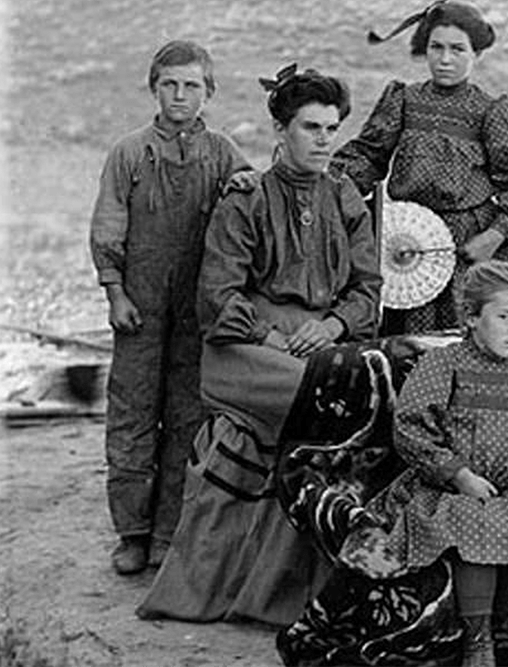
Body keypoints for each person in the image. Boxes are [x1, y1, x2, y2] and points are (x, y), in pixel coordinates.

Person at [136, 66, 381, 625]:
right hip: (242, 351)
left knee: (352, 389)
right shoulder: (245, 198)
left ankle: (305, 587)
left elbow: (368, 288)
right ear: (280, 129)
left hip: (320, 342)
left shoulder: (344, 197)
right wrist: (271, 334)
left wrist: (335, 326)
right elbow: (217, 295)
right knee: (321, 396)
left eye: (331, 128)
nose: (324, 140)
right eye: (310, 127)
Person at [365, 260, 508, 667]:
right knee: (474, 529)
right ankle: (478, 640)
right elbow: (411, 428)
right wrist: (459, 474)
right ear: (471, 318)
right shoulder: (444, 365)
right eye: (505, 317)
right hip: (451, 486)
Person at [89, 40, 252, 575]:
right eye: (170, 85)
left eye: (192, 86)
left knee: (188, 414)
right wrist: (115, 290)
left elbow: (249, 210)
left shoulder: (225, 152)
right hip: (139, 304)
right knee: (134, 412)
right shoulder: (129, 153)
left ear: (210, 92)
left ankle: (168, 533)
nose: (180, 96)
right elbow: (109, 224)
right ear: (153, 87)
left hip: (198, 309)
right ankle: (132, 533)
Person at [334, 0, 508, 333]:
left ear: (476, 53)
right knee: (406, 342)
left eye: (458, 49)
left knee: (469, 335)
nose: (445, 59)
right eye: (437, 47)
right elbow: (367, 157)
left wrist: (494, 236)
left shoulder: (491, 111)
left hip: (470, 247)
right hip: (407, 246)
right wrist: (326, 187)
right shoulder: (404, 101)